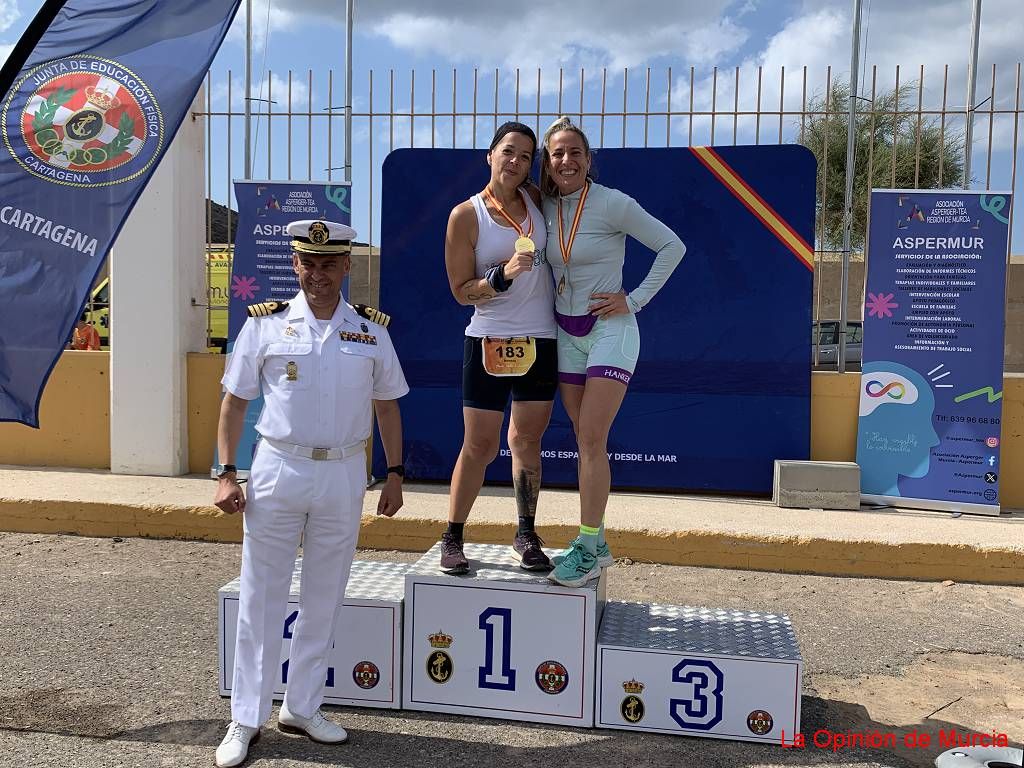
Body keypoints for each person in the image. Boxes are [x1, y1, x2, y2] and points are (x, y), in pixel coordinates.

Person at [212, 219, 409, 768]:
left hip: (344, 472)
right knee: (260, 596)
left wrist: (394, 472)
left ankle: (301, 706)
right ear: (295, 265)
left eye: (328, 264)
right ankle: (246, 717)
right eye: (308, 263)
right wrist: (227, 472)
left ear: (348, 267)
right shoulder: (266, 325)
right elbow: (233, 402)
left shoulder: (371, 331)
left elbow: (388, 405)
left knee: (325, 593)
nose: (317, 274)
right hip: (277, 468)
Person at [539, 116, 685, 587]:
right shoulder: (542, 207)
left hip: (611, 330)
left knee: (590, 439)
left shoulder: (611, 203)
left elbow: (671, 246)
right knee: (582, 438)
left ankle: (586, 542)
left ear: (588, 160)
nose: (567, 160)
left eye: (575, 152)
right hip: (566, 333)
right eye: (558, 153)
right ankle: (597, 542)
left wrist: (634, 298)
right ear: (548, 160)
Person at [441, 121, 558, 574]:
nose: (515, 161)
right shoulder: (466, 215)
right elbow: (458, 289)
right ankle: (453, 535)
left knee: (527, 440)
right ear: (490, 155)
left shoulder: (539, 202)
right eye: (508, 152)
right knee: (480, 445)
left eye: (526, 156)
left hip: (540, 338)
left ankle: (526, 533)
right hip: (489, 338)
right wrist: (500, 275)